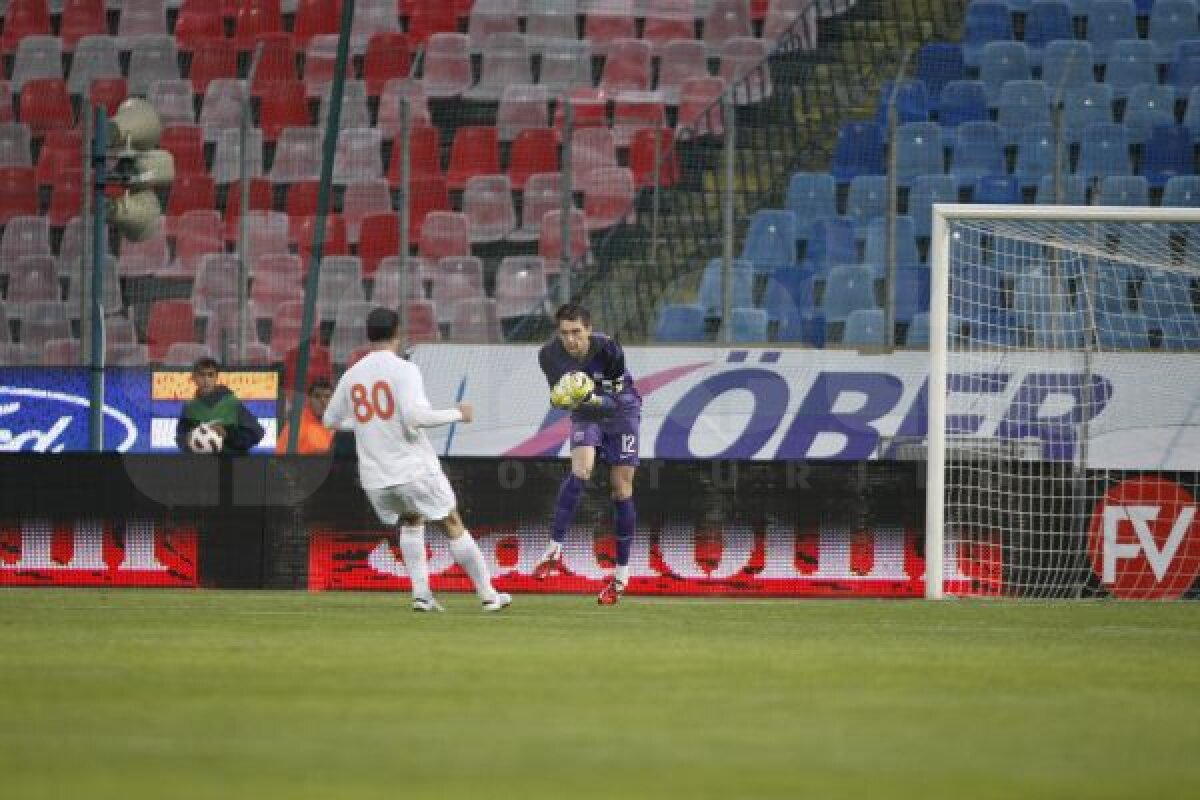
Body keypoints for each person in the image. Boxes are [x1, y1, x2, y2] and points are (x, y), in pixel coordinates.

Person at [323, 307, 511, 613]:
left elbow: (330, 421)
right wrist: (458, 414)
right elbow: (415, 417)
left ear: (368, 336)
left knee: (411, 521)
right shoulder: (404, 370)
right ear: (398, 333)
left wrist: (366, 424)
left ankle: (421, 596)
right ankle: (489, 595)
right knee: (452, 522)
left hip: (376, 479)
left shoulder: (351, 375)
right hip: (412, 469)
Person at [535, 303, 641, 605]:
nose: (571, 339)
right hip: (585, 412)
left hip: (622, 409)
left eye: (577, 332)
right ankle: (554, 546)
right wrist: (565, 399)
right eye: (565, 333)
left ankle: (621, 575)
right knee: (581, 470)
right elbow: (561, 398)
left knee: (621, 489)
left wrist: (588, 395)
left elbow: (614, 402)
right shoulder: (548, 356)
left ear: (589, 330)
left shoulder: (609, 350)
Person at [175, 357, 266, 454]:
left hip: (231, 463)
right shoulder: (189, 407)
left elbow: (257, 433)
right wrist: (187, 440)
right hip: (200, 463)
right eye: (202, 375)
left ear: (216, 377)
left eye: (210, 375)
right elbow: (180, 438)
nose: (206, 380)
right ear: (194, 378)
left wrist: (228, 434)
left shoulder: (232, 404)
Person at [276, 379, 335, 454]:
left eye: (327, 396)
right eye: (317, 396)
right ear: (309, 399)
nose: (323, 401)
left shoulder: (336, 423)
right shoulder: (297, 426)